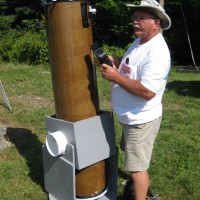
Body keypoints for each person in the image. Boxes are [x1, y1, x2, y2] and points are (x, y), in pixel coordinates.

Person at [100, 0, 171, 200]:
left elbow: (148, 91)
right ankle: (138, 186)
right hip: (131, 116)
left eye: (141, 18)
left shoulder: (157, 52)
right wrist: (116, 62)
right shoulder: (141, 41)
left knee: (137, 168)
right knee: (133, 161)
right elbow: (131, 64)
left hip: (140, 119)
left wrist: (116, 77)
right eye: (135, 18)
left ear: (156, 23)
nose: (135, 22)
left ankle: (140, 194)